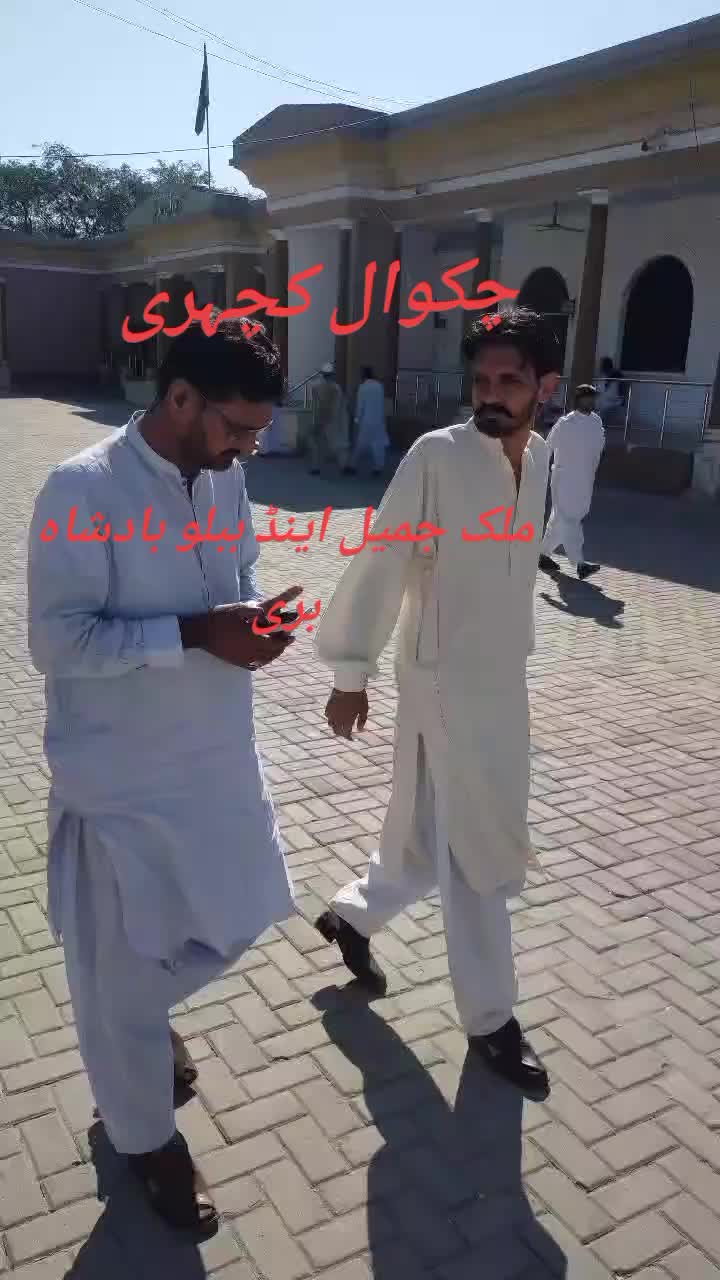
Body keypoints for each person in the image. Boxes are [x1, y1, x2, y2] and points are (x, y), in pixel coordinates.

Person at [27, 319, 302, 1236]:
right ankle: (147, 1142)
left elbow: (235, 572)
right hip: (121, 782)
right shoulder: (82, 489)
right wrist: (192, 635)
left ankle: (140, 1030)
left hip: (216, 762)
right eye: (236, 427)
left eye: (258, 432)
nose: (247, 448)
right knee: (118, 973)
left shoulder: (226, 479)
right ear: (180, 397)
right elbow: (56, 642)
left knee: (239, 915)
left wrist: (253, 621)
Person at [312, 308, 560, 1097]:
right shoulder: (437, 456)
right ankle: (491, 1020)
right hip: (444, 681)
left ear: (545, 387)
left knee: (425, 830)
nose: (491, 393)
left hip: (502, 680)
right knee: (476, 846)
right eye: (481, 379)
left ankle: (352, 916)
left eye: (510, 380)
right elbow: (384, 558)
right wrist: (350, 671)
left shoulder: (542, 458)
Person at [539, 382, 606, 579]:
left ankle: (542, 554)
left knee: (560, 521)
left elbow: (598, 449)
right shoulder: (565, 423)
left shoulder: (596, 422)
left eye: (592, 398)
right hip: (564, 480)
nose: (590, 402)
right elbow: (548, 447)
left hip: (585, 480)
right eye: (587, 398)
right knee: (569, 520)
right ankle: (580, 563)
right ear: (578, 400)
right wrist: (539, 473)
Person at [308, 361, 350, 474]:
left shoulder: (316, 387)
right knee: (338, 444)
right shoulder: (336, 388)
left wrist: (315, 420)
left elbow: (315, 405)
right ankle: (344, 466)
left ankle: (316, 468)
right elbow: (338, 407)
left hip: (320, 418)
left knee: (318, 445)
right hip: (333, 420)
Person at [347, 366, 389, 475]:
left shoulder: (363, 387)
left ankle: (352, 465)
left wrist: (356, 420)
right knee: (378, 444)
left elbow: (360, 406)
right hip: (378, 420)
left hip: (366, 420)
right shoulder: (379, 386)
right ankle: (378, 467)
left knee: (360, 444)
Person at [596, 355, 624, 422]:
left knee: (599, 411)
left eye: (601, 365)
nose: (600, 367)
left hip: (613, 401)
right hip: (604, 400)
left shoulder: (616, 377)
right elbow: (599, 389)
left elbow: (617, 394)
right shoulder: (603, 376)